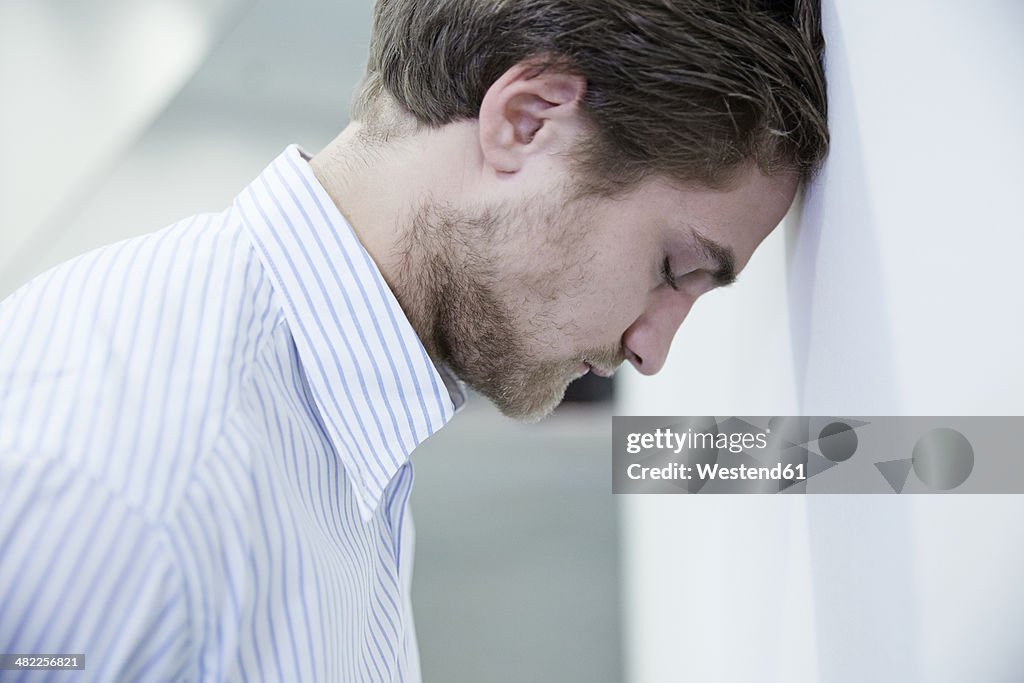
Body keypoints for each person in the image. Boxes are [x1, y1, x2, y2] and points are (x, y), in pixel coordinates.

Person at [0, 0, 828, 680]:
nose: (653, 349)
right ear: (528, 120)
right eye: (673, 265)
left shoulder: (328, 426)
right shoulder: (138, 491)